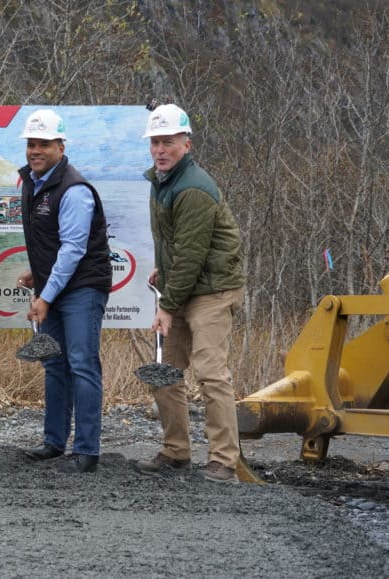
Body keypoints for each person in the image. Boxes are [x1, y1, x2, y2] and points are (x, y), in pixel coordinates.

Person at [134, 103, 246, 483]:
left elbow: (193, 255)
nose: (160, 149)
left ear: (187, 143)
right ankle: (177, 451)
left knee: (211, 372)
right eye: (155, 142)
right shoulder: (163, 181)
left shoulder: (194, 188)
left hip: (213, 290)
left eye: (167, 142)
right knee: (165, 370)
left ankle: (223, 460)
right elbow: (176, 243)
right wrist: (163, 269)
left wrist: (166, 305)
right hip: (184, 284)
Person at [15, 110, 112, 474]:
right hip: (55, 287)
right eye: (31, 144)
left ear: (60, 146)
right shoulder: (33, 182)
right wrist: (36, 273)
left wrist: (45, 296)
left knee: (82, 363)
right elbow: (49, 242)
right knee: (54, 362)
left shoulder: (74, 190)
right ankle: (54, 442)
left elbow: (73, 250)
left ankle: (87, 451)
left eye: (43, 144)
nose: (35, 151)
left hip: (83, 288)